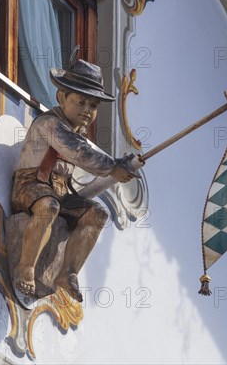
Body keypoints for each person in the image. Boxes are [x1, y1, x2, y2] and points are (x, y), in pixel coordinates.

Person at [11, 51, 136, 302]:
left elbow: (83, 174)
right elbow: (79, 154)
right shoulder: (50, 124)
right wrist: (113, 166)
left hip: (59, 192)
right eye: (81, 102)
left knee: (97, 214)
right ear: (61, 97)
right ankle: (26, 267)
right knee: (49, 206)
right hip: (29, 186)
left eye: (93, 106)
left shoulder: (76, 134)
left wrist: (120, 169)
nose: (87, 111)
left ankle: (68, 273)